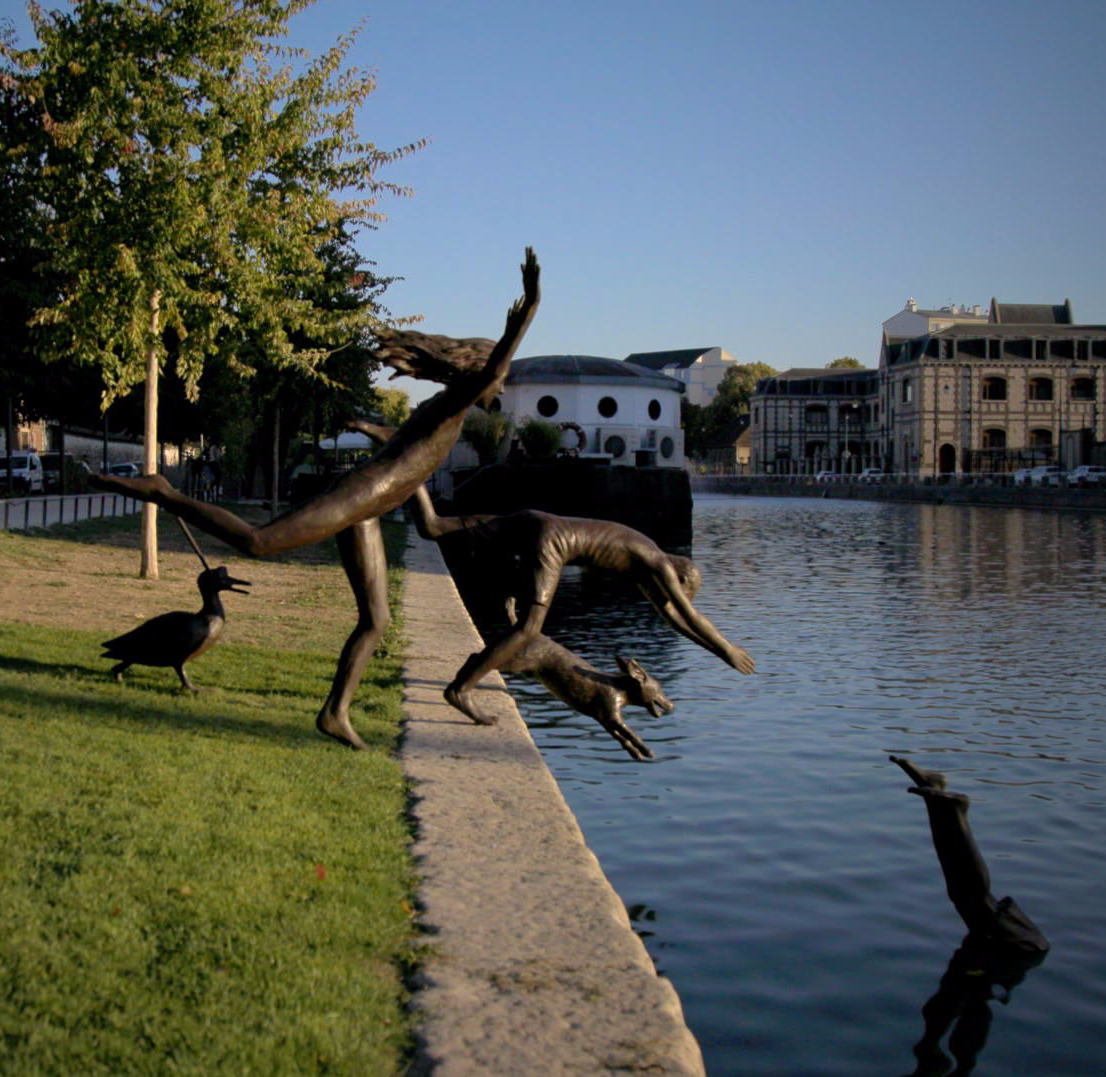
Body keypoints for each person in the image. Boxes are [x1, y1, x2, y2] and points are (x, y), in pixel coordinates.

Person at [91, 249, 540, 748]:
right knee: (259, 543)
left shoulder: (444, 411)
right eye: (498, 380)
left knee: (376, 620)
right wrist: (526, 315)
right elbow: (484, 378)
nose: (499, 392)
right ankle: (166, 493)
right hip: (358, 497)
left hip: (370, 509)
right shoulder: (454, 401)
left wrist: (493, 519)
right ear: (480, 372)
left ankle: (335, 713)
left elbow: (413, 471)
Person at [350, 419, 755, 726]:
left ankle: (399, 447)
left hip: (537, 521)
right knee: (528, 630)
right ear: (680, 576)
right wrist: (727, 650)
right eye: (679, 591)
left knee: (433, 526)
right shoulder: (659, 564)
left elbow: (675, 620)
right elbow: (688, 615)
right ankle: (460, 688)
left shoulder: (645, 558)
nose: (671, 598)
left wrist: (711, 649)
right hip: (553, 543)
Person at [890, 755, 1049, 953]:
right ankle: (950, 807)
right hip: (1022, 944)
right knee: (972, 899)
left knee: (966, 897)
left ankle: (936, 792)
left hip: (1021, 945)